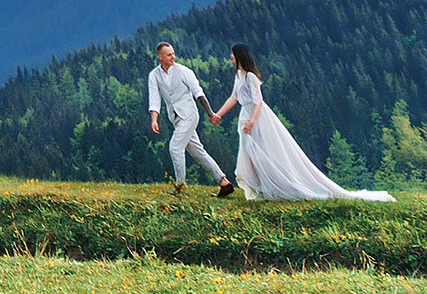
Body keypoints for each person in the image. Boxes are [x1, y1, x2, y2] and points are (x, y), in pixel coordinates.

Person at [209, 43, 394, 202]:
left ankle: (272, 186)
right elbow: (234, 97)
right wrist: (219, 114)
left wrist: (252, 122)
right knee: (250, 153)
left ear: (240, 55)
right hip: (245, 117)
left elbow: (258, 102)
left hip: (255, 118)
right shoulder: (239, 76)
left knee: (261, 152)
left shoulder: (250, 77)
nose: (230, 56)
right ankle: (261, 187)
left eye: (233, 53)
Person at [148, 41, 233, 197]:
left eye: (173, 53)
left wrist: (210, 113)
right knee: (198, 153)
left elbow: (198, 93)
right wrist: (154, 120)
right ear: (160, 57)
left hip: (189, 115)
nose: (173, 56)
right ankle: (224, 182)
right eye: (169, 55)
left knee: (175, 148)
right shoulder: (154, 75)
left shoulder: (184, 71)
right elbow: (154, 99)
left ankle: (180, 187)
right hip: (176, 118)